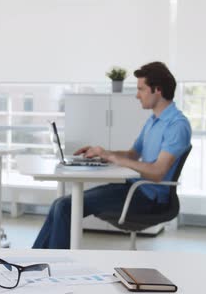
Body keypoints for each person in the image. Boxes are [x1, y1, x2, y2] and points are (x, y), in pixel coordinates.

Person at [33, 61, 191, 249]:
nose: (137, 95)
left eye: (141, 89)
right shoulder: (153, 121)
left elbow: (157, 173)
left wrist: (114, 158)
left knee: (65, 207)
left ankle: (54, 267)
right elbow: (132, 155)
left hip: (148, 198)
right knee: (61, 203)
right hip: (132, 188)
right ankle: (35, 264)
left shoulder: (177, 125)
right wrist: (102, 154)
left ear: (157, 89)